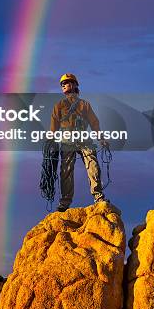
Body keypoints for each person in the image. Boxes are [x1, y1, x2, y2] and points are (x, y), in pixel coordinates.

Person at [50, 73, 108, 211]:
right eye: (63, 84)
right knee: (66, 171)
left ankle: (98, 197)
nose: (65, 85)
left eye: (68, 82)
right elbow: (54, 125)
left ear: (75, 85)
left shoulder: (84, 105)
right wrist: (50, 141)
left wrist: (101, 138)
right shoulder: (59, 106)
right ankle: (65, 202)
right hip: (67, 140)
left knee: (93, 166)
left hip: (84, 139)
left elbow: (94, 123)